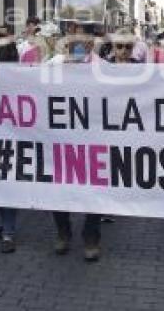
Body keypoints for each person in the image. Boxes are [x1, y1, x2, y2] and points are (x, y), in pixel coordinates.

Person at [47, 22, 103, 261]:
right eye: (73, 33)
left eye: (83, 34)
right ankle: (63, 232)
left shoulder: (104, 67)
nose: (78, 39)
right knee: (58, 189)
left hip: (95, 139)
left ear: (91, 41)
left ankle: (91, 238)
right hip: (60, 138)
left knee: (94, 190)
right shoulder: (55, 64)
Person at [0, 24, 20, 253]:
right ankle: (4, 224)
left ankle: (9, 230)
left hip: (14, 135)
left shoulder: (22, 71)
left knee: (7, 180)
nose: (1, 40)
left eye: (5, 36)